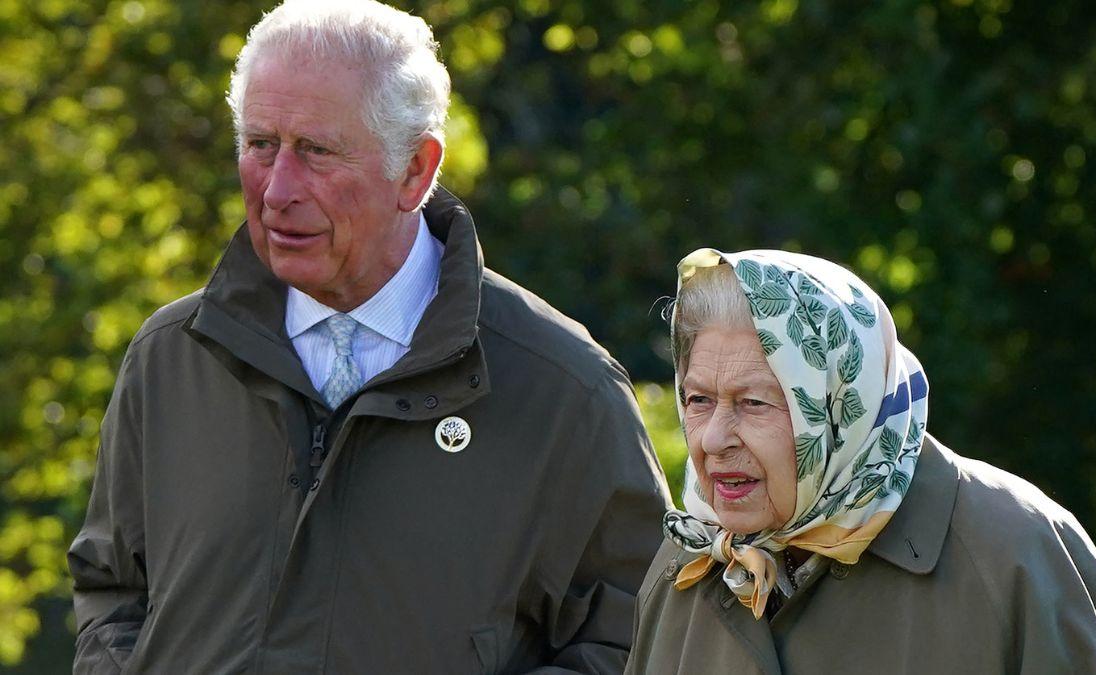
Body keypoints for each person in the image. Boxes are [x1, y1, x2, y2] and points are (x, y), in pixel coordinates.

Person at [67, 1, 671, 672]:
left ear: (415, 169)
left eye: (317, 152)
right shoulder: (171, 357)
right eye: (260, 145)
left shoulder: (566, 391)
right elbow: (110, 590)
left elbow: (636, 642)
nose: (277, 190)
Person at [625, 248, 1096, 674]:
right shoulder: (684, 563)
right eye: (698, 401)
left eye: (754, 403)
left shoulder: (1015, 550)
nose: (713, 439)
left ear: (843, 405)